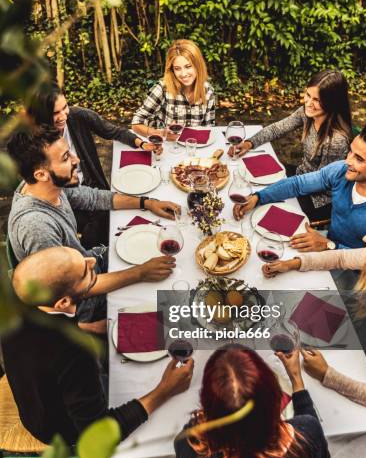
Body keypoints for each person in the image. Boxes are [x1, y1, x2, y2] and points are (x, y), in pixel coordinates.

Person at [1, 246, 194, 445]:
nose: (92, 262)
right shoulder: (74, 352)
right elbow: (96, 433)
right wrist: (165, 389)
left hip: (38, 394)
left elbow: (39, 344)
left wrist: (88, 327)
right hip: (60, 429)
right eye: (85, 271)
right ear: (63, 302)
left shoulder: (20, 301)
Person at [7, 126, 180, 325]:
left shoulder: (48, 186)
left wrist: (147, 203)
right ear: (41, 175)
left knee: (156, 247)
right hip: (82, 300)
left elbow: (93, 197)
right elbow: (70, 289)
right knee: (163, 306)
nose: (76, 160)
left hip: (88, 263)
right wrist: (139, 273)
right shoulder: (36, 227)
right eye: (65, 158)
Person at [263, 207, 366, 416]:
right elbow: (339, 257)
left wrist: (326, 375)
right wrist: (292, 264)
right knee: (287, 321)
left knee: (310, 399)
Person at [175, 346, 330, 458]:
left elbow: (182, 457)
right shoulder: (306, 433)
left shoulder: (197, 442)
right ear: (274, 397)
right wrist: (296, 380)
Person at [26, 83, 161, 247]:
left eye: (65, 107)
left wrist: (141, 144)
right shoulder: (37, 143)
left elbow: (114, 131)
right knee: (106, 234)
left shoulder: (77, 116)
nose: (63, 116)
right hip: (69, 200)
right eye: (55, 113)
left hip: (93, 189)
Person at [234, 123, 366, 250]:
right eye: (350, 151)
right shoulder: (342, 170)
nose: (348, 161)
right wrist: (259, 197)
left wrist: (330, 246)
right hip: (325, 245)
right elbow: (297, 184)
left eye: (359, 159)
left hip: (356, 278)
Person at [229, 70, 352, 222]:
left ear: (332, 102)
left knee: (262, 214)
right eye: (308, 95)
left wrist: (265, 196)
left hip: (317, 198)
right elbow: (278, 128)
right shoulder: (308, 113)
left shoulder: (336, 141)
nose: (308, 103)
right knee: (246, 177)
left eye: (317, 100)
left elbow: (319, 182)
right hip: (299, 176)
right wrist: (250, 143)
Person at [132, 39, 215, 139]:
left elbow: (209, 129)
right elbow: (136, 123)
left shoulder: (208, 90)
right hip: (167, 147)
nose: (183, 74)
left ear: (198, 66)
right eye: (177, 68)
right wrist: (161, 133)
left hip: (194, 148)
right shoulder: (162, 88)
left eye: (188, 66)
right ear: (172, 70)